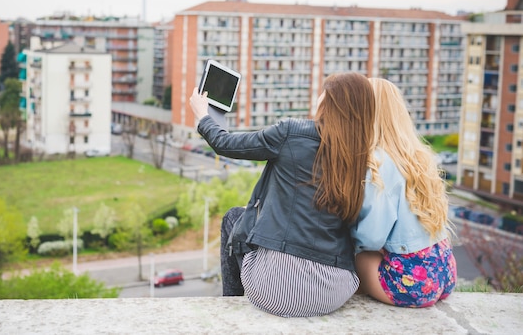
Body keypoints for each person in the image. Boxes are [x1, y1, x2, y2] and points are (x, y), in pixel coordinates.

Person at [189, 72, 375, 317]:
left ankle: (230, 307)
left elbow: (226, 144)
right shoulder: (365, 155)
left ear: (327, 102)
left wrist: (203, 115)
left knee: (234, 218)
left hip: (277, 291)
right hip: (335, 292)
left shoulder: (292, 133)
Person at [351, 78, 457, 308]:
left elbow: (371, 238)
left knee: (353, 258)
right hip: (444, 271)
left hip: (412, 285)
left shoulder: (379, 162)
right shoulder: (419, 156)